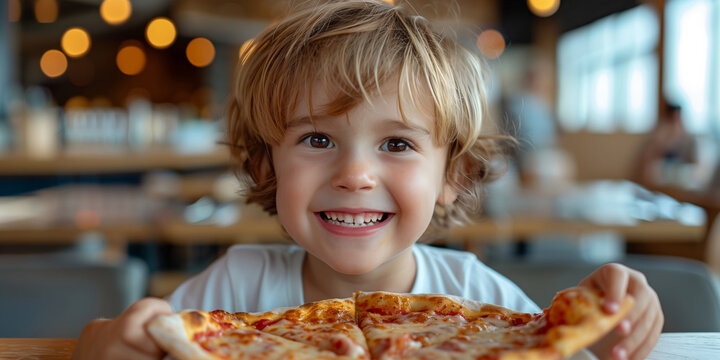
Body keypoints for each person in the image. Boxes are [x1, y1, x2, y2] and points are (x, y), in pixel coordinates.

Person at [72, 1, 662, 359]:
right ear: (265, 166)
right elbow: (128, 340)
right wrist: (107, 342)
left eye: (397, 144)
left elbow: (565, 346)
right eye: (318, 139)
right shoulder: (233, 287)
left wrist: (618, 314)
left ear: (453, 174)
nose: (355, 175)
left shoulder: (478, 299)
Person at [633, 101, 698, 188]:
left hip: (680, 175)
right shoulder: (658, 134)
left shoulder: (688, 137)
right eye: (673, 118)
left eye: (678, 118)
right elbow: (648, 161)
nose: (676, 122)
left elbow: (693, 162)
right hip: (659, 176)